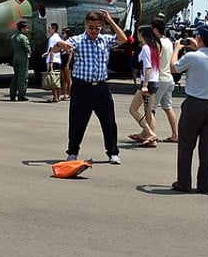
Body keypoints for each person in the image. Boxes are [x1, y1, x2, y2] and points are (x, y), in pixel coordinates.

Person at [53, 10, 127, 165]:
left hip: (100, 87)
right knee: (77, 122)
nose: (94, 31)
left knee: (109, 122)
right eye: (91, 27)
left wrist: (110, 21)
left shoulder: (105, 40)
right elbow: (56, 49)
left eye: (97, 28)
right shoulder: (78, 40)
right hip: (81, 88)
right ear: (85, 25)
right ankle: (72, 152)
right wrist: (60, 44)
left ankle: (113, 152)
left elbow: (123, 39)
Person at [170, 22, 208, 193]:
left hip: (194, 104)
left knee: (186, 145)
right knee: (207, 148)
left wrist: (177, 49)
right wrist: (197, 47)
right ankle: (206, 183)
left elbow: (174, 67)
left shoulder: (193, 57)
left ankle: (184, 182)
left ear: (199, 38)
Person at [127, 26, 159, 147]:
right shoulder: (154, 47)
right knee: (149, 111)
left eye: (139, 34)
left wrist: (144, 84)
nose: (137, 36)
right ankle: (151, 137)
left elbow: (148, 68)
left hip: (147, 82)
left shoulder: (146, 48)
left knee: (133, 109)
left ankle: (150, 133)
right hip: (153, 81)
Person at [9, 20, 31, 102]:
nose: (27, 30)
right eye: (26, 28)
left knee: (16, 76)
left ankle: (12, 95)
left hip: (16, 57)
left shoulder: (13, 37)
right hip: (23, 58)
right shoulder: (23, 37)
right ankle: (21, 95)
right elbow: (27, 48)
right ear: (22, 29)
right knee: (23, 77)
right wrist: (29, 51)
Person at [44, 23, 63, 103]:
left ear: (53, 29)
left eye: (49, 28)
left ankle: (55, 97)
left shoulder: (52, 38)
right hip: (58, 60)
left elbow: (52, 50)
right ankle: (58, 97)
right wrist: (46, 53)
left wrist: (51, 63)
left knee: (53, 80)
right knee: (57, 80)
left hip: (53, 61)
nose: (48, 30)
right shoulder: (58, 38)